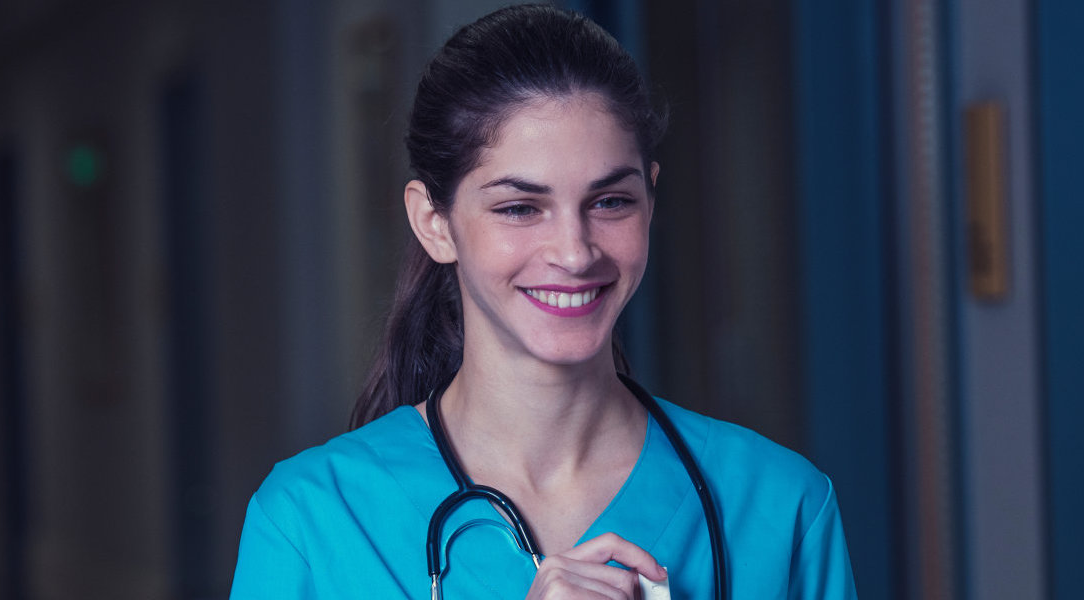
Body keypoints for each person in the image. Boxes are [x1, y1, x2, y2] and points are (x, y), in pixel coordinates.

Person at [229, 5, 856, 598]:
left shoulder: (780, 509)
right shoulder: (312, 523)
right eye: (519, 208)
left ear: (652, 197)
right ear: (433, 223)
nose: (575, 252)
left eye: (610, 201)